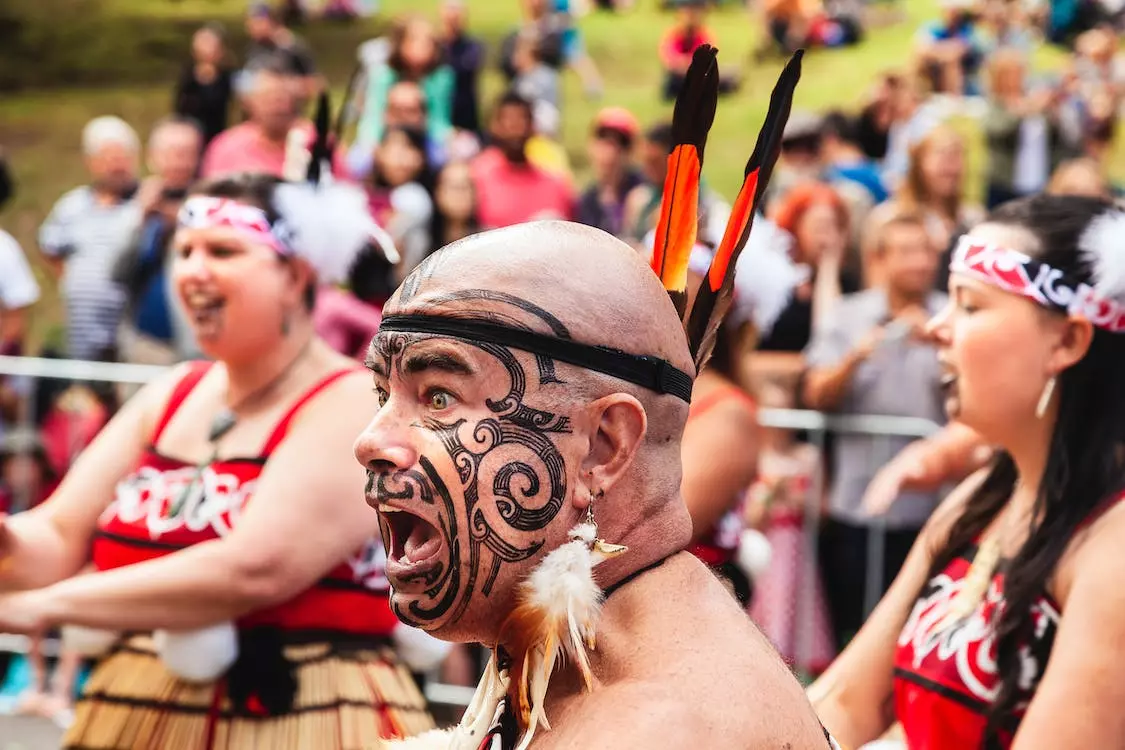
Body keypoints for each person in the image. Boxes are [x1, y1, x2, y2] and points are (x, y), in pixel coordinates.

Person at [355, 223, 834, 749]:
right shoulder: (587, 647)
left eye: (439, 397)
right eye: (384, 395)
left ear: (603, 448)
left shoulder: (650, 728)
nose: (371, 441)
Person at [0, 173, 435, 748]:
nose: (192, 270)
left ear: (296, 274)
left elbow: (253, 568)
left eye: (223, 250)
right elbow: (56, 533)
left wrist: (43, 607)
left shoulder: (354, 400)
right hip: (137, 706)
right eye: (184, 251)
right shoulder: (174, 391)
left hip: (304, 712)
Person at [811, 194, 1125, 749]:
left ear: (1069, 340)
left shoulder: (1112, 550)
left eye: (970, 306)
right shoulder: (982, 498)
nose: (938, 327)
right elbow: (844, 700)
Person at [38, 116, 142, 363]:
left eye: (122, 157)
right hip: (82, 329)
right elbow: (50, 247)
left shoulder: (145, 204)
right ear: (91, 163)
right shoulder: (71, 206)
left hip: (131, 327)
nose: (117, 166)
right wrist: (72, 281)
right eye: (108, 158)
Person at [173, 24, 234, 147]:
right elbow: (179, 108)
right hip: (191, 136)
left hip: (218, 136)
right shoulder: (188, 77)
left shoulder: (227, 77)